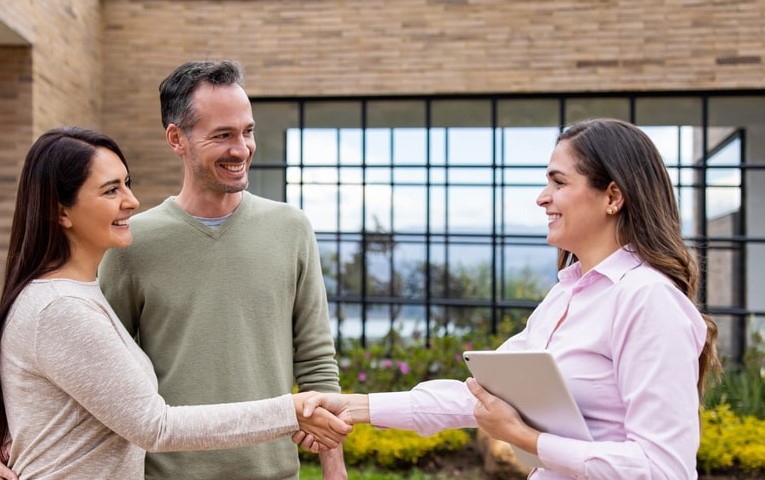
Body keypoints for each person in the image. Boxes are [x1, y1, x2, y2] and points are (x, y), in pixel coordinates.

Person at [300, 118, 720, 479]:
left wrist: (525, 438)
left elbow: (664, 469)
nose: (542, 197)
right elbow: (479, 394)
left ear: (612, 196)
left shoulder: (647, 300)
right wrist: (353, 406)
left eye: (559, 182)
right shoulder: (566, 295)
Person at [0, 61, 347, 480]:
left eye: (247, 131)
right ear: (177, 138)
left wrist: (333, 467)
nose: (242, 148)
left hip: (275, 472)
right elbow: (87, 373)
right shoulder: (126, 242)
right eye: (222, 135)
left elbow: (318, 357)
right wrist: (21, 444)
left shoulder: (291, 228)